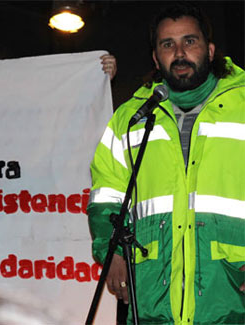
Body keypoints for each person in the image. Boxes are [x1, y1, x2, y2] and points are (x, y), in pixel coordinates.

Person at [87, 2, 244, 324]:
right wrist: (112, 251)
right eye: (168, 44)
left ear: (210, 50)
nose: (180, 52)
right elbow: (107, 194)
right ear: (156, 58)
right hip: (151, 298)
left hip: (229, 295)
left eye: (190, 41)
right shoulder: (130, 118)